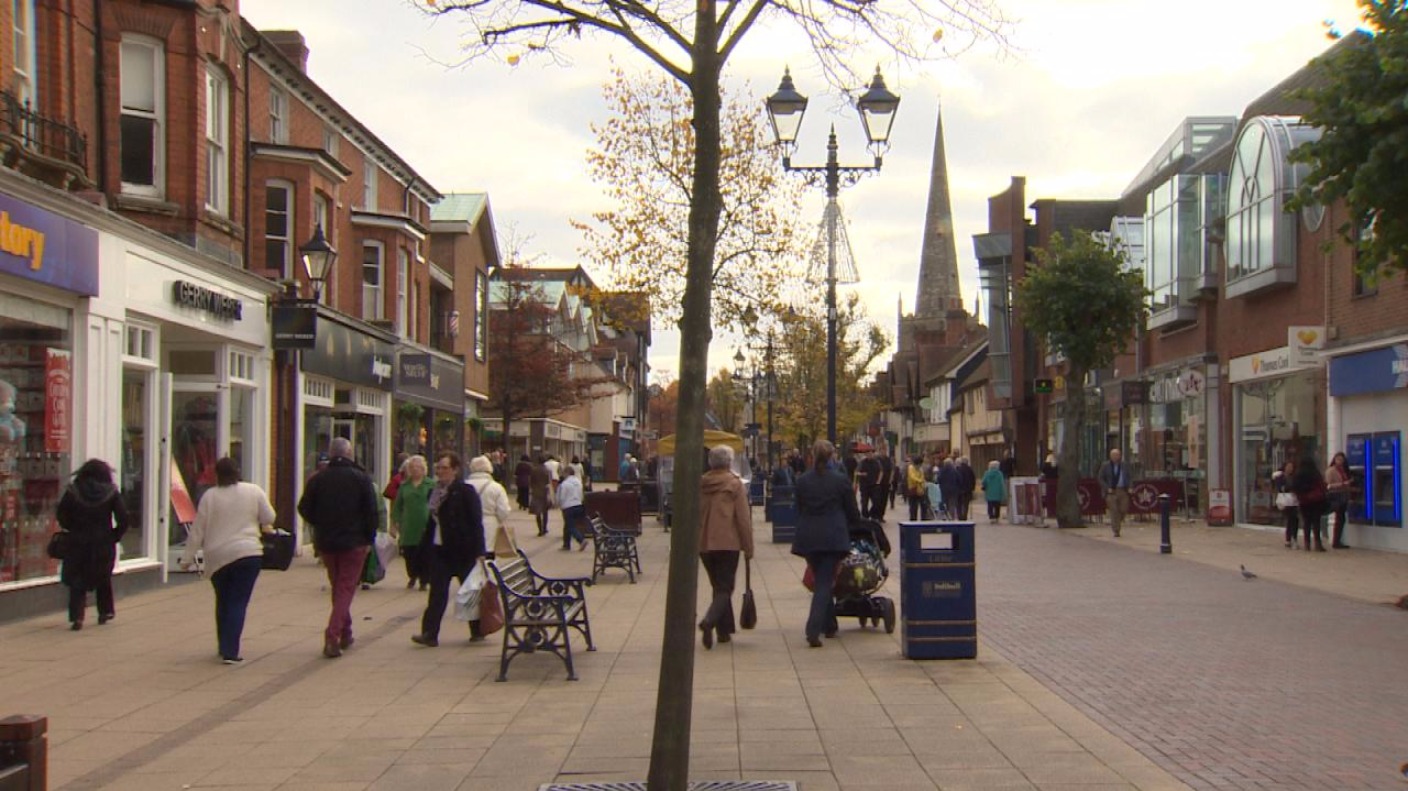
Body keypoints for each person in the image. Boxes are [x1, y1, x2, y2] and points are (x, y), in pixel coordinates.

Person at [179, 457, 275, 664]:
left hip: (218, 557)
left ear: (217, 475)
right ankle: (231, 651)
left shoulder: (209, 496)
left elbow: (198, 530)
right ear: (237, 471)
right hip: (248, 553)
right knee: (238, 601)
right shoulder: (253, 491)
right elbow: (269, 517)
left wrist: (187, 558)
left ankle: (224, 645)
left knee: (223, 600)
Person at [297, 437, 378, 658]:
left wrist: (319, 522)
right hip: (354, 542)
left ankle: (346, 631)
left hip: (327, 541)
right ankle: (332, 636)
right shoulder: (361, 478)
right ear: (350, 453)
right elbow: (372, 511)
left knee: (339, 587)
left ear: (331, 455)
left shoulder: (318, 479)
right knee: (345, 588)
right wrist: (369, 537)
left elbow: (304, 507)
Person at [412, 452, 487, 647]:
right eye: (438, 468)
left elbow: (476, 522)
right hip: (440, 550)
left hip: (463, 550)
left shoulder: (465, 491)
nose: (440, 472)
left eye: (444, 468)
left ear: (455, 470)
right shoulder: (434, 492)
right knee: (437, 593)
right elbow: (431, 522)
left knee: (469, 591)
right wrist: (424, 549)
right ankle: (429, 633)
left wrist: (480, 551)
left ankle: (477, 629)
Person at [791, 440, 860, 648]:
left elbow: (799, 509)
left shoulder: (802, 481)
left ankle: (829, 624)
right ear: (831, 457)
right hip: (833, 537)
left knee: (822, 578)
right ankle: (813, 628)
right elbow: (852, 511)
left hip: (809, 538)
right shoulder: (840, 481)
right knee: (823, 583)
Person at [56, 459, 130, 631]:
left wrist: (72, 527)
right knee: (103, 577)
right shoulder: (111, 493)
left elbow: (62, 514)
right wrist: (114, 535)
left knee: (77, 579)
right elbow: (124, 519)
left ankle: (77, 617)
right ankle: (105, 611)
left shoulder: (73, 491)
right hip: (103, 542)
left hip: (78, 541)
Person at [698, 445, 754, 649]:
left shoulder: (701, 483)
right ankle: (710, 621)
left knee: (717, 585)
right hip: (728, 542)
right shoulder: (735, 484)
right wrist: (748, 546)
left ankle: (724, 631)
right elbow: (743, 519)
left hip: (704, 543)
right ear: (729, 462)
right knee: (725, 587)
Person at [391, 455, 433, 590]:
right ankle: (413, 575)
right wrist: (394, 523)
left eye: (418, 467)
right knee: (409, 553)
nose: (415, 470)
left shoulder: (431, 484)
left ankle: (424, 580)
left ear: (423, 469)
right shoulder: (404, 486)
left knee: (425, 553)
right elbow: (397, 505)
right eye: (412, 468)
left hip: (425, 523)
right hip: (408, 524)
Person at [1291, 455, 1328, 552]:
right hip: (1316, 500)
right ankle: (1317, 543)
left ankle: (1307, 543)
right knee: (1316, 522)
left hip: (1304, 501)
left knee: (1306, 522)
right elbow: (1321, 485)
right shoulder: (1315, 473)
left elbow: (1294, 487)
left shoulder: (1298, 474)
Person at [1097, 449, 1131, 538]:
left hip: (1122, 490)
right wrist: (1107, 488)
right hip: (1111, 491)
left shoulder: (1124, 465)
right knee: (1114, 510)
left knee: (1123, 509)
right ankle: (1116, 530)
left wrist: (1130, 486)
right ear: (1111, 456)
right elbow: (1100, 478)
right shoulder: (1106, 466)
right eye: (1114, 455)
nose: (1116, 457)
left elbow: (1130, 476)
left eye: (1118, 455)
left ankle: (1118, 521)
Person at [556, 465, 589, 551]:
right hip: (578, 505)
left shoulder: (564, 484)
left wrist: (560, 505)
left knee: (570, 526)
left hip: (568, 507)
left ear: (567, 473)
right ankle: (566, 544)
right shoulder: (578, 482)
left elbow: (561, 497)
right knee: (567, 525)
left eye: (563, 473)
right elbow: (581, 495)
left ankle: (581, 540)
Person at [1325, 451, 1352, 549]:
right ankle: (1336, 542)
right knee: (1339, 518)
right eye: (1338, 459)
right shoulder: (1331, 470)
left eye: (1342, 460)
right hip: (1335, 495)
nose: (1340, 462)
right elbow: (1328, 485)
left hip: (1344, 495)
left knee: (1341, 518)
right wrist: (1343, 484)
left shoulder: (1344, 470)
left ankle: (1337, 540)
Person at [1273, 461, 1299, 549]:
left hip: (1294, 500)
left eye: (1291, 467)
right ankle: (1289, 539)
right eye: (1288, 466)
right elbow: (1280, 488)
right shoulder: (1280, 477)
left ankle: (1294, 538)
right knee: (1290, 519)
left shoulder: (1295, 477)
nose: (1290, 468)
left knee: (1294, 519)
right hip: (1285, 500)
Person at [529, 455, 552, 536]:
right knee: (545, 512)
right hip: (545, 492)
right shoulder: (547, 470)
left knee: (537, 512)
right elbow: (549, 482)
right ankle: (545, 528)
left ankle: (540, 529)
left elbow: (531, 481)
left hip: (536, 492)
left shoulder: (534, 470)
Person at [905, 455, 929, 521]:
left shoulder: (920, 469)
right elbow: (913, 477)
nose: (919, 466)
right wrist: (920, 481)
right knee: (913, 508)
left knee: (924, 506)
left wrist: (923, 485)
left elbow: (922, 477)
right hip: (913, 490)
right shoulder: (911, 468)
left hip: (920, 490)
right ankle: (913, 521)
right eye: (918, 465)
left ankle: (924, 520)